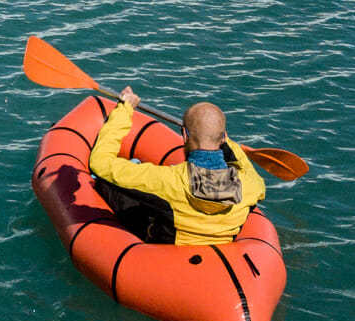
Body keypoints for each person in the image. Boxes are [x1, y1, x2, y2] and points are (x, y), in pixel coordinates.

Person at [88, 87, 265, 247]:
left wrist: (125, 109)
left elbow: (99, 163)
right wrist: (220, 138)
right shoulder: (252, 184)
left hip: (167, 249)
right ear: (223, 138)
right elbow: (240, 161)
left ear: (184, 135)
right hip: (217, 253)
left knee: (107, 185)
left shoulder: (169, 181)